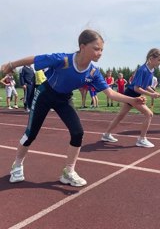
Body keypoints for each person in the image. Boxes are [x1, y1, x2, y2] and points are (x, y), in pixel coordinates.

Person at [0, 29, 145, 187]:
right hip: (45, 94)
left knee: (78, 132)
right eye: (96, 48)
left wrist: (133, 99)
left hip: (64, 99)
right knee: (31, 134)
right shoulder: (62, 59)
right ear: (82, 47)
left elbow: (110, 93)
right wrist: (11, 65)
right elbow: (34, 59)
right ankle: (17, 165)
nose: (100, 53)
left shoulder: (93, 72)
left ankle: (68, 172)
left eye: (102, 49)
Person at [101, 48, 160, 148]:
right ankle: (141, 139)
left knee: (121, 115)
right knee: (149, 114)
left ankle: (106, 135)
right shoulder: (142, 70)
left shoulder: (151, 70)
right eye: (159, 60)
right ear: (151, 59)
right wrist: (151, 95)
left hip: (134, 94)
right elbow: (136, 88)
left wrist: (154, 92)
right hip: (132, 94)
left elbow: (146, 86)